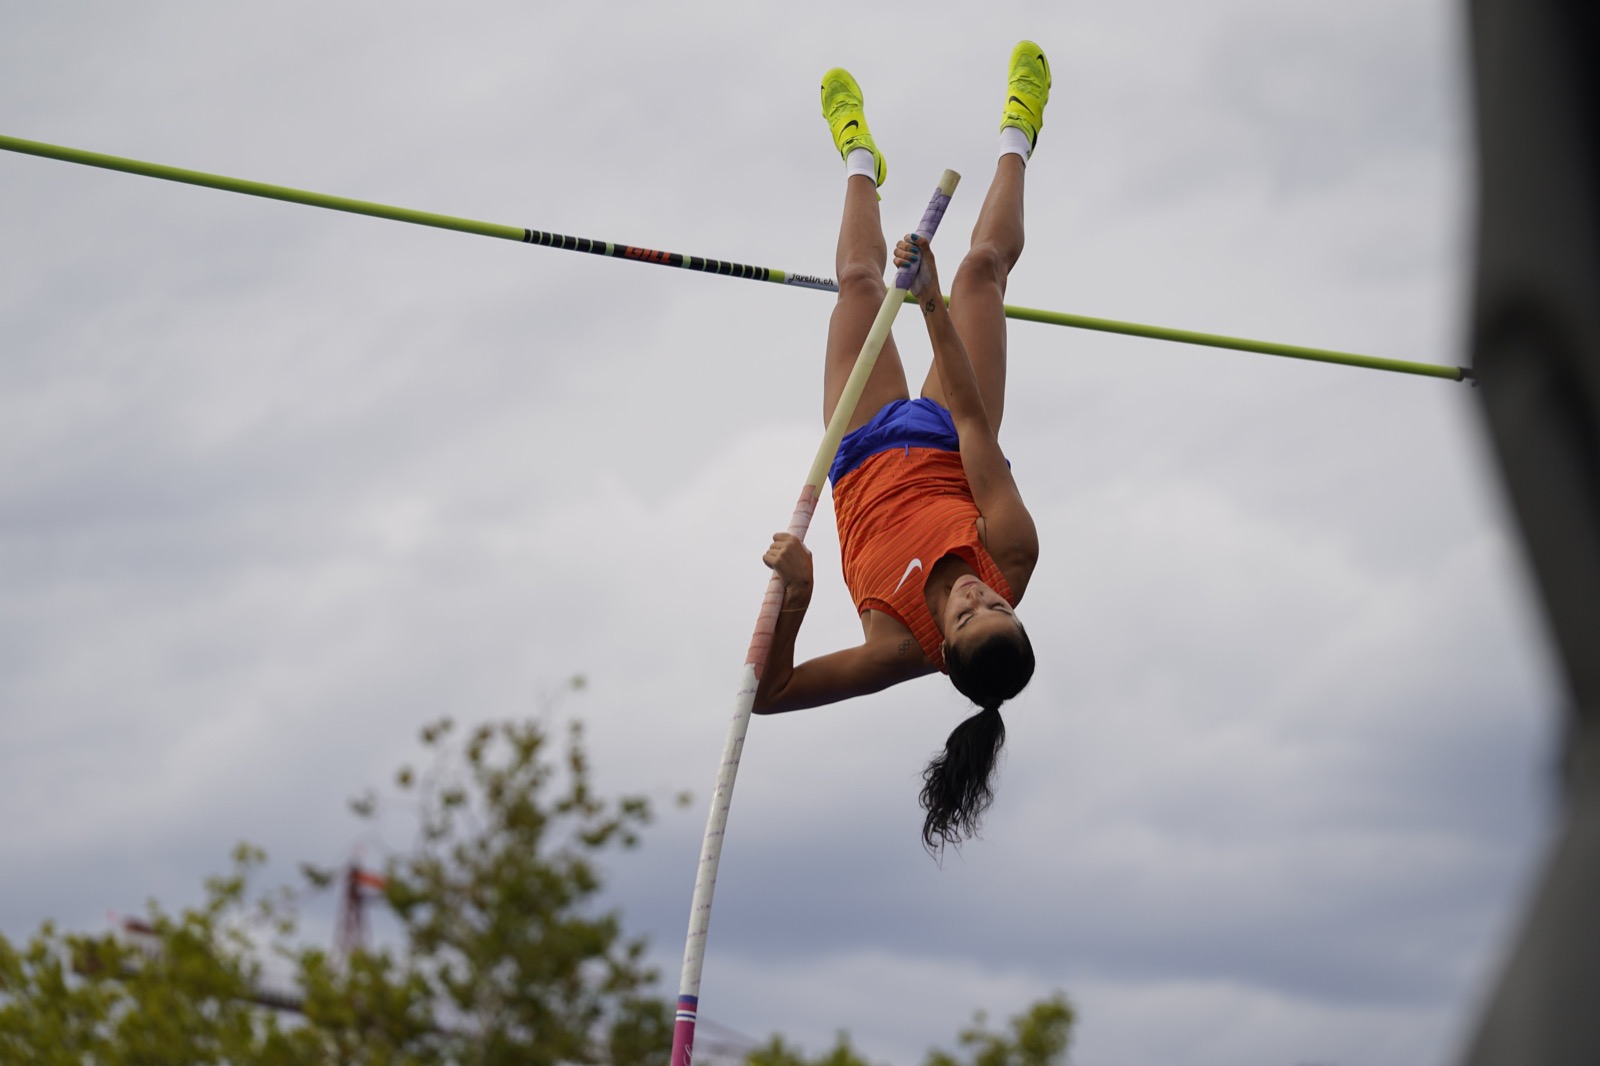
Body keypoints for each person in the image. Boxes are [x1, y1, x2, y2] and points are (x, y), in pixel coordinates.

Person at [751, 43, 1050, 852]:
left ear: (944, 651)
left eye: (969, 615)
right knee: (979, 272)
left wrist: (800, 592)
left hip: (858, 451)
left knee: (858, 284)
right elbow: (977, 426)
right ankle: (1019, 133)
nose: (979, 597)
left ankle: (858, 157)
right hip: (947, 431)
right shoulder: (1011, 556)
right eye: (998, 607)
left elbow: (771, 693)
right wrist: (931, 303)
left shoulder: (893, 647)